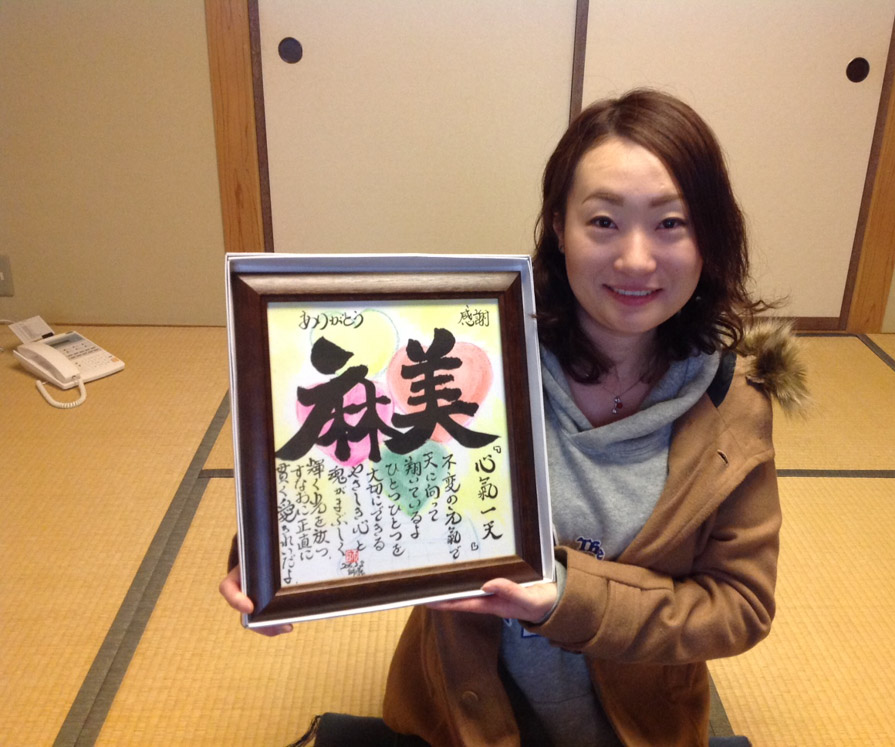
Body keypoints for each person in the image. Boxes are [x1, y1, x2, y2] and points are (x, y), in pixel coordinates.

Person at [221, 88, 807, 746]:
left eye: (670, 223)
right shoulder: (470, 358)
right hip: (462, 716)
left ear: (709, 236)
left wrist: (565, 597)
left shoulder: (733, 405)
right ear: (559, 226)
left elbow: (739, 605)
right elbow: (357, 470)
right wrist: (274, 555)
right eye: (604, 221)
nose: (636, 259)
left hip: (635, 729)